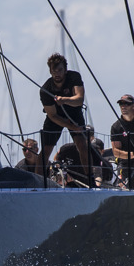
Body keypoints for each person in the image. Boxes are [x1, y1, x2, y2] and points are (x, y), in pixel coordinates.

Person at [38, 53, 90, 184]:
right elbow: (52, 115)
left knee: (82, 145)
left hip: (74, 113)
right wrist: (71, 126)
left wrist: (64, 100)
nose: (57, 74)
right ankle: (38, 181)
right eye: (54, 71)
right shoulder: (45, 90)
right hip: (55, 118)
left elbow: (79, 99)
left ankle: (90, 179)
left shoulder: (74, 77)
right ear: (50, 71)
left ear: (65, 70)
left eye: (60, 70)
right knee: (45, 151)